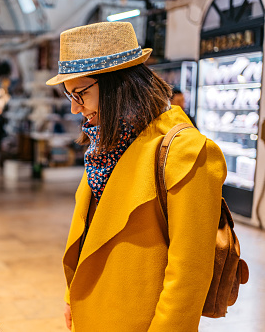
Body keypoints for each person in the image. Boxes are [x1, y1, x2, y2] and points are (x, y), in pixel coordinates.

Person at [46, 22, 226, 331]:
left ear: (118, 84)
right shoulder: (106, 144)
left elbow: (189, 275)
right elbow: (89, 230)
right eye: (69, 95)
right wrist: (71, 295)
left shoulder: (187, 152)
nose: (76, 108)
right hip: (93, 311)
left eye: (80, 94)